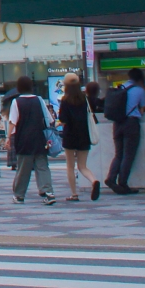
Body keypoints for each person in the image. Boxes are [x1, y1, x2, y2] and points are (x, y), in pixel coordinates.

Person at [6, 76, 57, 205]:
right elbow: (50, 119)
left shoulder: (16, 102)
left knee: (23, 168)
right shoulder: (39, 100)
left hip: (23, 138)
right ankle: (48, 192)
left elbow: (13, 122)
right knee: (42, 166)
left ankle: (19, 195)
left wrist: (8, 138)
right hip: (40, 138)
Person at [56, 73, 100, 201]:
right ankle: (94, 180)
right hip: (84, 135)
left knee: (70, 166)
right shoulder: (85, 99)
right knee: (82, 166)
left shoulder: (65, 100)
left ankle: (74, 194)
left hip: (70, 135)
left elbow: (63, 120)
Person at [104, 69, 145, 195]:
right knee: (128, 155)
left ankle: (111, 178)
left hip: (117, 123)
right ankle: (123, 182)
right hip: (131, 124)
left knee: (118, 154)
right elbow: (142, 109)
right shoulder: (140, 90)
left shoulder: (121, 87)